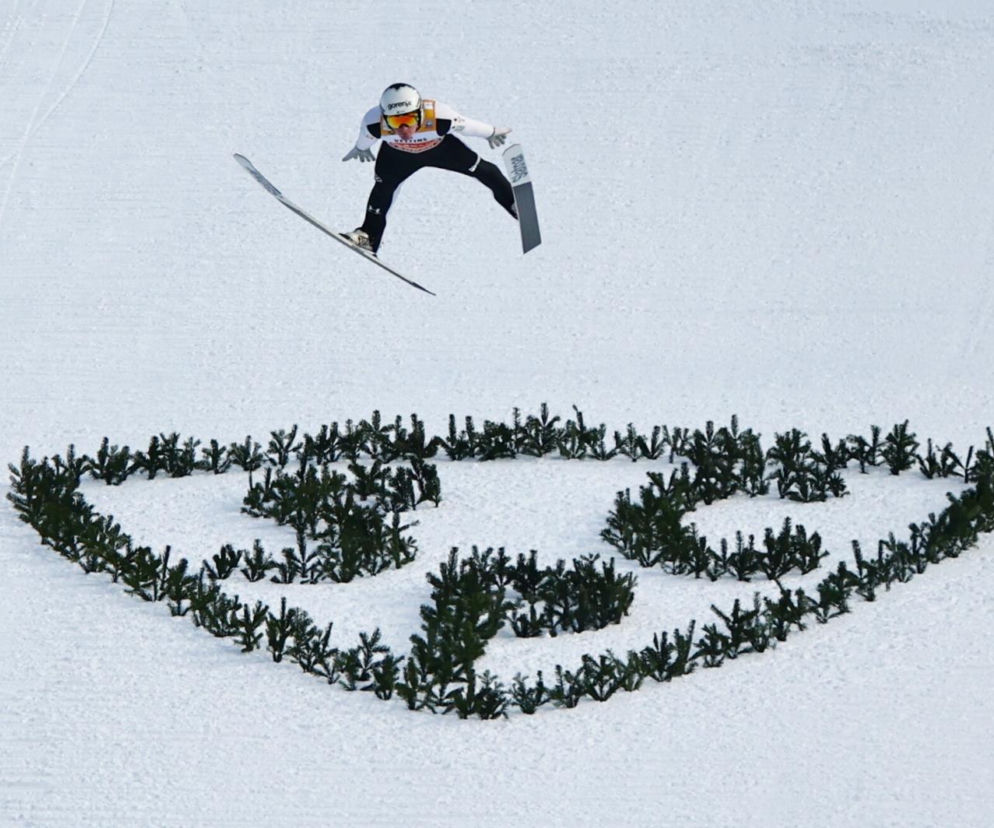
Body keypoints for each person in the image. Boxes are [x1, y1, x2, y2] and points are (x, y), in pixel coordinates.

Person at [341, 83, 517, 255]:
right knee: (382, 190)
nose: (403, 129)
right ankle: (369, 237)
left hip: (441, 151)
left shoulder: (440, 116)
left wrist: (491, 132)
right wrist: (361, 148)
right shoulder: (374, 121)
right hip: (398, 157)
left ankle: (512, 202)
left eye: (409, 120)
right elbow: (366, 136)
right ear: (385, 117)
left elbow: (468, 126)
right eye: (395, 121)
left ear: (419, 114)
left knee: (487, 171)